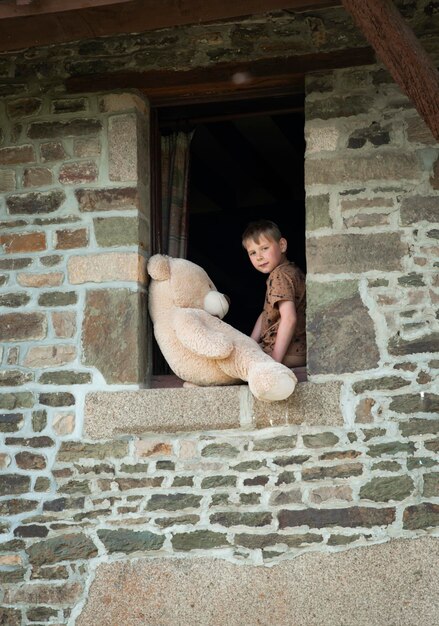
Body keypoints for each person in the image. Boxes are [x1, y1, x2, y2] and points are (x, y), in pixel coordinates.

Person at [242, 219, 306, 368]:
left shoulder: (279, 276)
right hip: (298, 351)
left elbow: (289, 319)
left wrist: (274, 362)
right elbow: (266, 313)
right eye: (252, 252)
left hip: (284, 353)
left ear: (282, 245)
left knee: (233, 361)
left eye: (264, 248)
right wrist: (250, 343)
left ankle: (203, 382)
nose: (259, 256)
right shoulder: (292, 271)